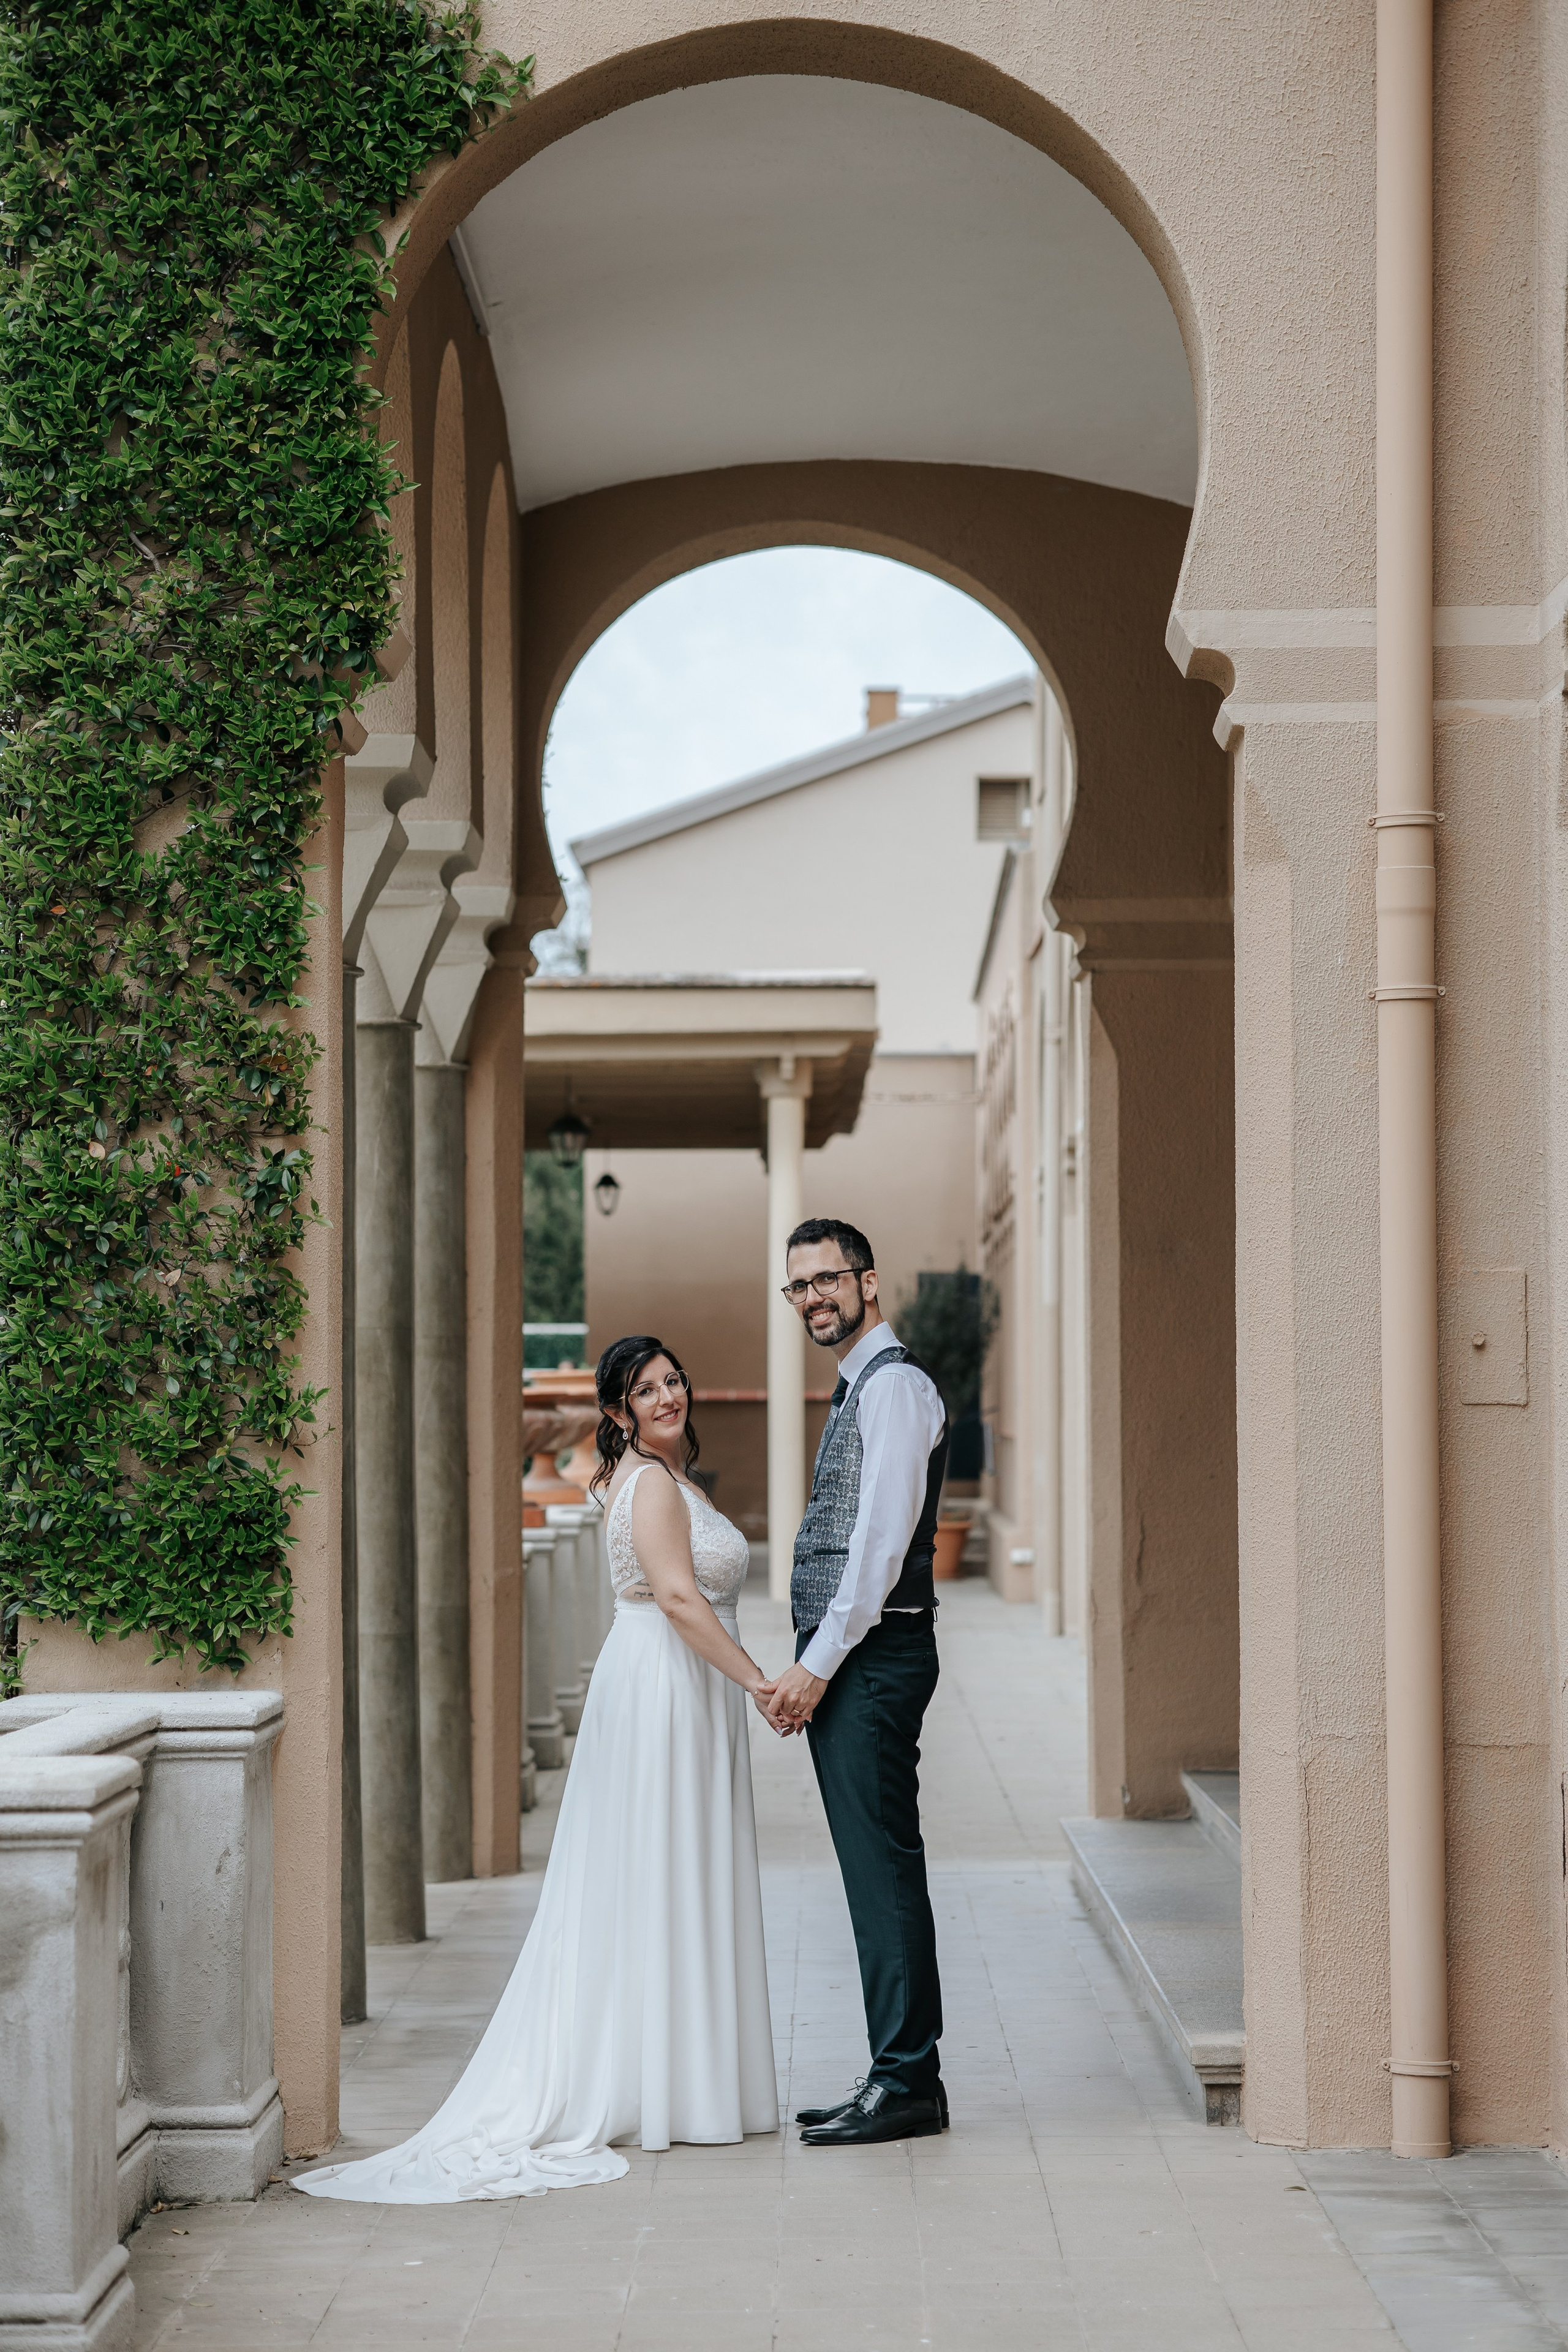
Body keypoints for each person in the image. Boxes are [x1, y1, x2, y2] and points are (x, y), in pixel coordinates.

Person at [293, 1335, 782, 2202]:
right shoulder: (655, 1486)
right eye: (647, 1389)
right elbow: (675, 1597)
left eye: (674, 1380)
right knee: (661, 1872)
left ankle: (680, 2076)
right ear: (618, 1410)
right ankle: (669, 2083)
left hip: (670, 1683)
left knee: (661, 1877)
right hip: (669, 1687)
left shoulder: (643, 1477)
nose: (669, 1396)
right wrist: (758, 1683)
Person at [764, 1218, 951, 2146]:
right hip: (863, 1661)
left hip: (874, 1661)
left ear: (870, 1283)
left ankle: (909, 2081)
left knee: (882, 1872)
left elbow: (878, 1550)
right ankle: (896, 2071)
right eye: (798, 1287)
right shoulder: (860, 1390)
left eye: (827, 1280)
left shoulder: (898, 1389)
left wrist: (814, 1666)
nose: (813, 1299)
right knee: (873, 1872)